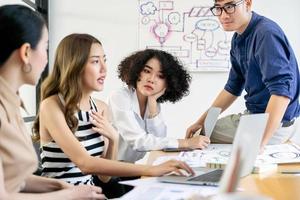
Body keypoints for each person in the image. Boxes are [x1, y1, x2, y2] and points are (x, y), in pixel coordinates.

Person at [33, 33, 194, 198]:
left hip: (90, 193)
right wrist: (152, 170)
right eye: (96, 61)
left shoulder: (100, 107)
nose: (104, 68)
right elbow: (85, 164)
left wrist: (113, 140)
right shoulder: (52, 106)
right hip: (59, 195)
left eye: (104, 60)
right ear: (75, 65)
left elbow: (104, 177)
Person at [0, 4, 105, 199]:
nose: (48, 60)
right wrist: (69, 195)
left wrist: (61, 186)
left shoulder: (11, 102)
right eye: (46, 48)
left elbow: (15, 179)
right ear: (25, 53)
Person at [186, 0, 300, 148]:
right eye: (218, 9)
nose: (223, 15)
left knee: (201, 135)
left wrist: (260, 144)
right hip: (255, 118)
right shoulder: (238, 39)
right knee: (202, 131)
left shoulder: (265, 33)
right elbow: (232, 88)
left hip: (274, 126)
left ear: (247, 3)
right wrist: (200, 122)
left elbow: (282, 92)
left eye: (230, 6)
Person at [107, 49, 210, 163]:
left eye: (160, 76)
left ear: (169, 82)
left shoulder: (153, 102)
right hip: (110, 170)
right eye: (147, 71)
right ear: (136, 71)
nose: (151, 79)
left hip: (129, 168)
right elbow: (138, 141)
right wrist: (186, 143)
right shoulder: (120, 97)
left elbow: (159, 140)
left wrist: (152, 105)